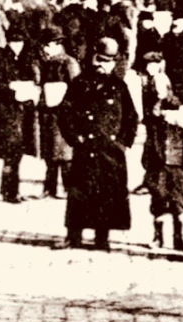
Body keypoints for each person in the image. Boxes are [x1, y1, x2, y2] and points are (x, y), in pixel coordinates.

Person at [56, 37, 139, 252]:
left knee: (107, 195)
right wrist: (76, 139)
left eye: (109, 61)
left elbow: (131, 117)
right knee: (80, 193)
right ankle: (73, 236)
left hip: (110, 151)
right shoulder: (80, 83)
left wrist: (123, 143)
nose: (104, 65)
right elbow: (65, 113)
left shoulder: (120, 86)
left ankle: (102, 237)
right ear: (94, 58)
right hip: (86, 149)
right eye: (100, 60)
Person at [140, 52, 183, 251]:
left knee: (178, 205)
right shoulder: (155, 132)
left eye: (172, 113)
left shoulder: (180, 132)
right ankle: (158, 237)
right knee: (159, 203)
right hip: (159, 170)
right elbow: (147, 154)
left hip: (176, 172)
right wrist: (150, 172)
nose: (169, 116)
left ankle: (179, 239)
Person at [0, 22, 40, 203]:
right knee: (10, 151)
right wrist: (12, 90)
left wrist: (31, 90)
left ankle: (9, 189)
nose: (17, 46)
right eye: (13, 42)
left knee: (17, 152)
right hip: (6, 112)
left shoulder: (28, 58)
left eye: (20, 42)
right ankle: (9, 191)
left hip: (24, 111)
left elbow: (35, 80)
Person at [37, 27, 80, 198]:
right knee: (51, 152)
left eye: (47, 46)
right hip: (50, 112)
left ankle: (70, 188)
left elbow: (77, 88)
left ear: (56, 45)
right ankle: (50, 188)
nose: (45, 50)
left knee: (65, 153)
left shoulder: (68, 63)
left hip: (64, 112)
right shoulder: (49, 62)